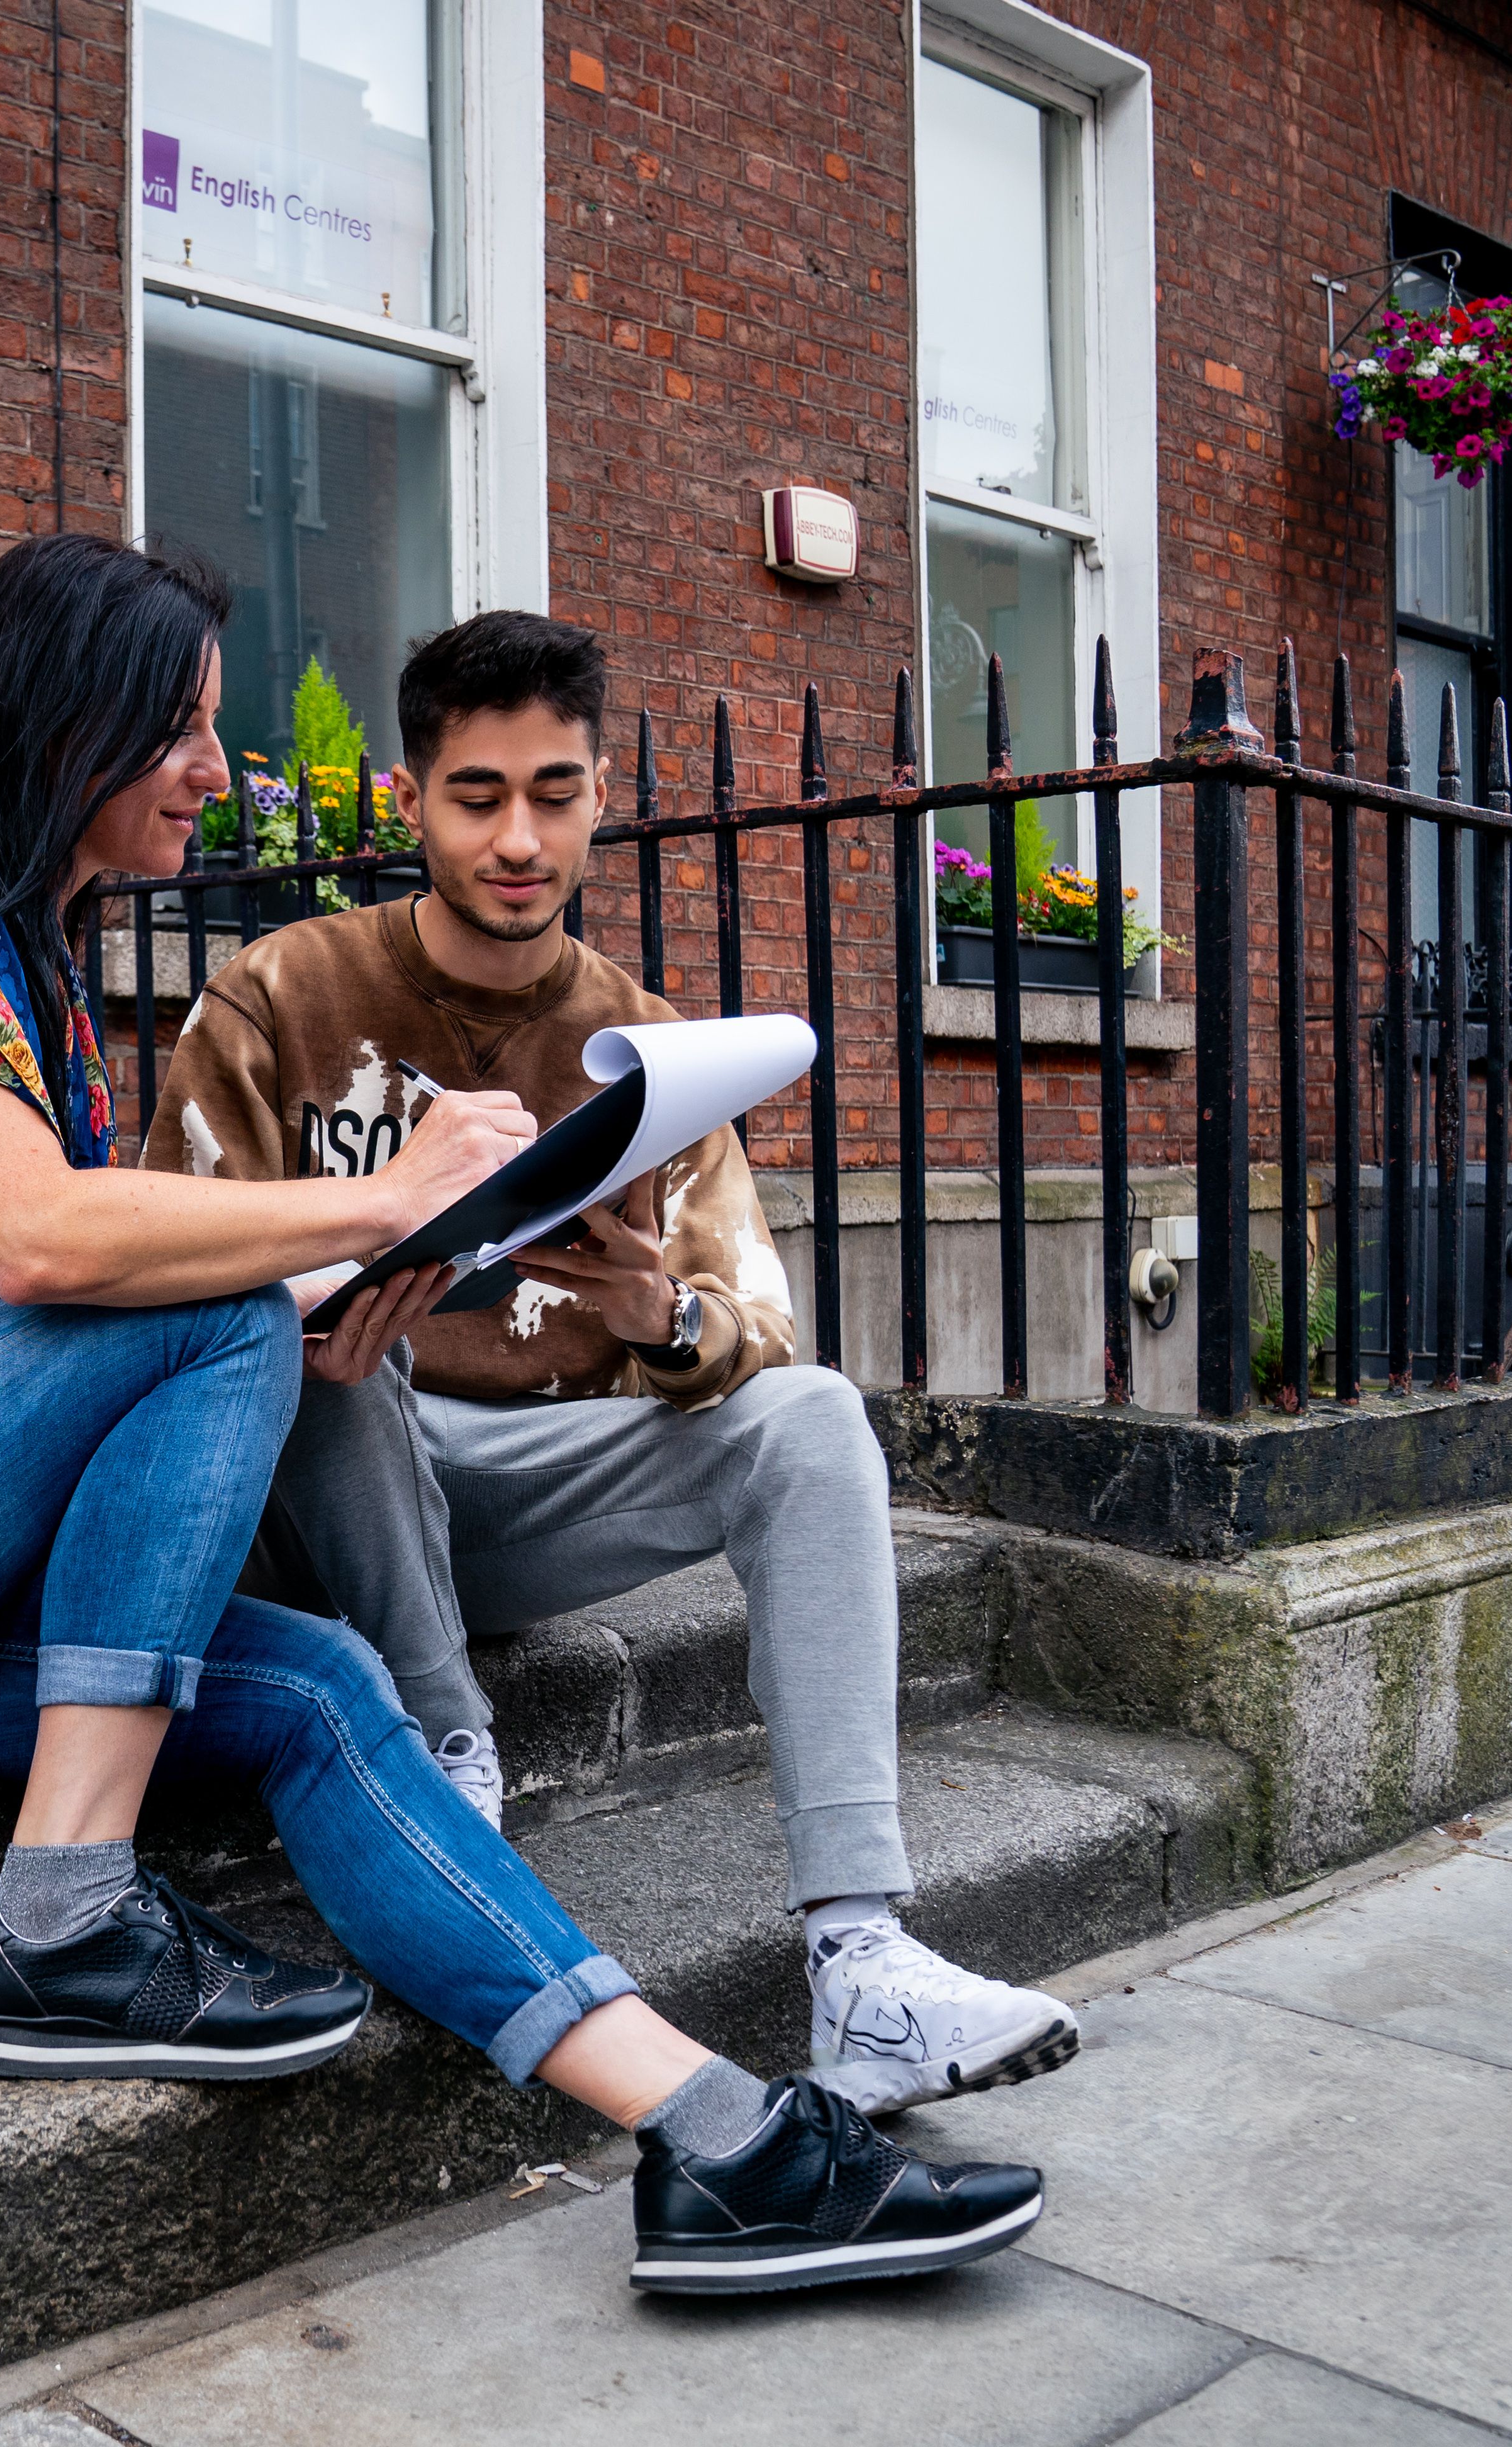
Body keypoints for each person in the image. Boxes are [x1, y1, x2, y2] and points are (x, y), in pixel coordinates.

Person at [0, 534, 1043, 2290]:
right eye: (182, 728)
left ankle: (721, 2141)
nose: (216, 774)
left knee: (322, 1685)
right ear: (69, 712)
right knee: (219, 1299)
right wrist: (379, 1208)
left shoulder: (36, 980)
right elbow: (36, 1245)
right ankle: (63, 1917)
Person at [137, 608, 1084, 2118]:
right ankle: (454, 1775)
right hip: (314, 1494)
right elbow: (173, 1255)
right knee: (326, 1346)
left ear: (597, 795)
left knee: (816, 1415)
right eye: (480, 795)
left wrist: (661, 1316)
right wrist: (326, 1290)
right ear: (410, 796)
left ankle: (866, 1961)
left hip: (522, 1489)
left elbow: (752, 1316)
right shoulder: (279, 993)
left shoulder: (647, 1039)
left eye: (556, 793)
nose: (521, 837)